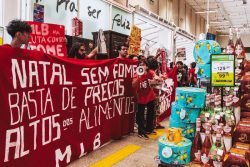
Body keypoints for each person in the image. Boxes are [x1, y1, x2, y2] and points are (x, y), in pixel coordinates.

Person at [132, 58, 161, 139]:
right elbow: (134, 85)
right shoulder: (136, 74)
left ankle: (149, 129)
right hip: (141, 98)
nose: (142, 66)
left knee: (151, 113)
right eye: (140, 65)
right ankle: (141, 132)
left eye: (143, 65)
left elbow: (156, 77)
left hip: (150, 96)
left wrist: (156, 78)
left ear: (147, 67)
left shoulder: (150, 72)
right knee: (140, 116)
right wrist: (139, 76)